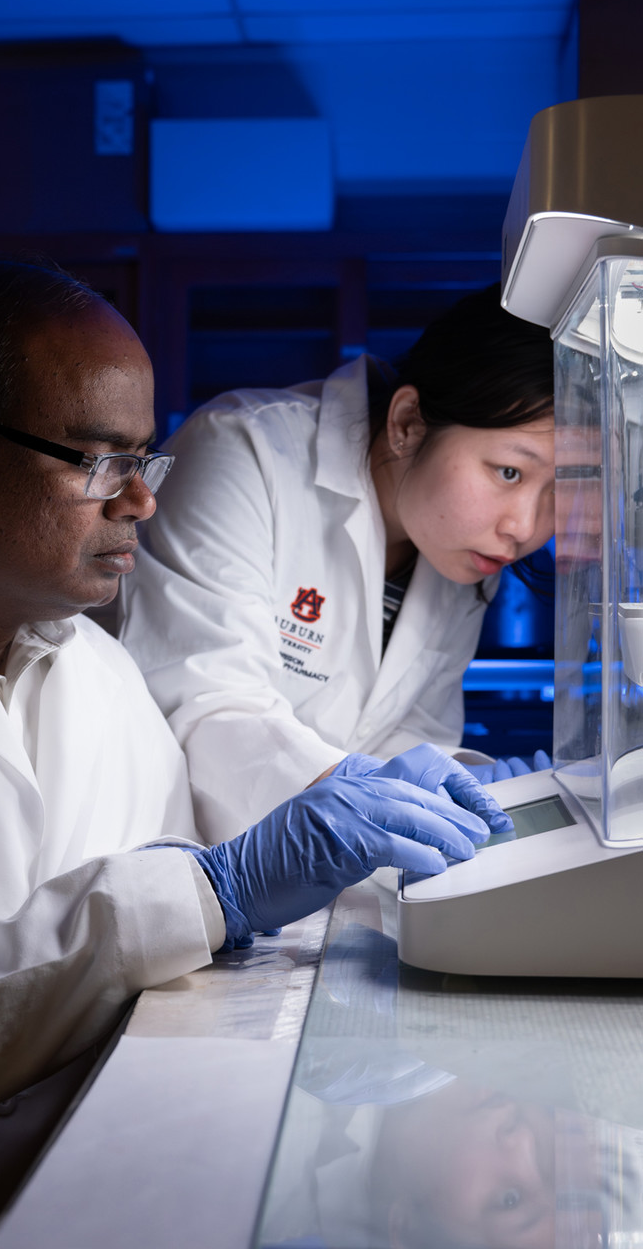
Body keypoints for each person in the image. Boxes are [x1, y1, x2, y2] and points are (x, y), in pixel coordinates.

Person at [0, 259, 512, 1248]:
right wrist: (220, 889)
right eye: (95, 459)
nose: (143, 502)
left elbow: (158, 961)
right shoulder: (248, 455)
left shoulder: (96, 680)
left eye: (142, 458)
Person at [119, 285, 556, 844]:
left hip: (312, 877)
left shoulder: (460, 550)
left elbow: (406, 733)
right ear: (406, 424)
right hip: (169, 856)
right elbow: (209, 711)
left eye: (560, 487)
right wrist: (381, 798)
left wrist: (472, 783)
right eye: (509, 473)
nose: (525, 527)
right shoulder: (244, 453)